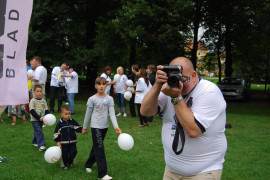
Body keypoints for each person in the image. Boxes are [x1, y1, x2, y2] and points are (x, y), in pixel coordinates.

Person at [141, 57, 227, 179]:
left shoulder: (209, 91)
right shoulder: (169, 87)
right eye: (174, 77)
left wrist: (176, 97)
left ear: (194, 75)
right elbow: (145, 111)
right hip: (172, 170)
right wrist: (157, 85)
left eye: (182, 78)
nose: (179, 82)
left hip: (203, 171)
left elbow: (193, 130)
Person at [82, 77, 122, 180]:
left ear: (106, 86)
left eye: (103, 84)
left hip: (105, 127)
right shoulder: (92, 99)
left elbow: (112, 114)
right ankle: (103, 174)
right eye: (99, 84)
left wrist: (116, 127)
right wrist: (84, 127)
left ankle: (88, 164)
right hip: (95, 127)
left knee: (97, 146)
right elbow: (88, 114)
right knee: (100, 149)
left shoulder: (109, 99)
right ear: (95, 86)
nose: (101, 86)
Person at [29, 85, 49, 151]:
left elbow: (46, 110)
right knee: (39, 131)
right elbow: (32, 111)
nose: (39, 93)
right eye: (37, 91)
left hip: (42, 119)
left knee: (38, 130)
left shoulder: (43, 101)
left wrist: (47, 118)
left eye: (40, 91)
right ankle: (42, 145)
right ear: (34, 92)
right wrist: (38, 117)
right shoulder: (32, 101)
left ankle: (35, 142)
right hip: (34, 120)